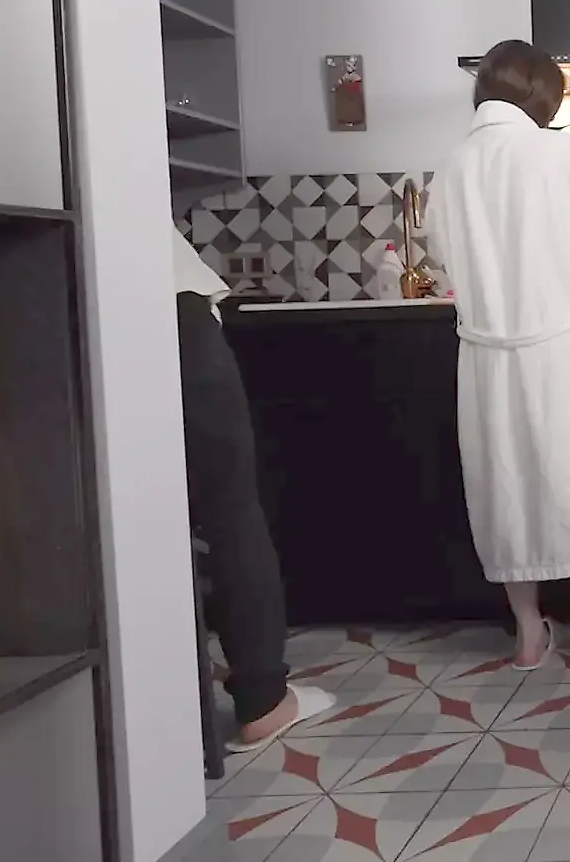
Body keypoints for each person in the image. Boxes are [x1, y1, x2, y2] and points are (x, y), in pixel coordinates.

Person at [427, 40, 570, 669]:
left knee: (505, 487)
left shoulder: (452, 168)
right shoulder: (559, 152)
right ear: (543, 98)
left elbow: (440, 253)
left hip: (487, 359)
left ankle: (530, 635)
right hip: (563, 351)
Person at [172, 231, 335, 750]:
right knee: (230, 510)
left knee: (146, 516)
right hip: (172, 314)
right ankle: (264, 700)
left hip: (65, 315)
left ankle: (170, 688)